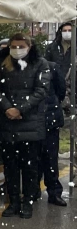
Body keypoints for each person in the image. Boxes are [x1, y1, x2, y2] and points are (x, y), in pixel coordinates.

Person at [0, 33, 50, 218]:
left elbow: (41, 91)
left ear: (29, 46)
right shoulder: (3, 64)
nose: (17, 50)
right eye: (14, 46)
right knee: (10, 166)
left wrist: (20, 109)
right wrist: (7, 108)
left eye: (21, 46)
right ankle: (14, 201)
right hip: (7, 122)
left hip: (30, 123)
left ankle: (27, 201)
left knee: (29, 166)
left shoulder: (40, 64)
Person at [42, 48, 69, 206]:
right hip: (33, 119)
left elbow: (61, 91)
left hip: (50, 119)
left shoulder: (51, 67)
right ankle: (32, 192)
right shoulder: (26, 68)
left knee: (50, 158)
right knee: (34, 158)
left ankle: (54, 191)